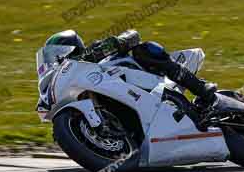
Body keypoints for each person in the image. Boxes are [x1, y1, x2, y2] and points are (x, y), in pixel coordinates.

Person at [44, 29, 218, 111]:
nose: (58, 62)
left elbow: (133, 35)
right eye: (53, 60)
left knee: (145, 49)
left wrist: (117, 42)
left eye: (59, 56)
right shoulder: (68, 84)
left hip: (148, 80)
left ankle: (202, 89)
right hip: (130, 102)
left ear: (73, 48)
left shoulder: (96, 53)